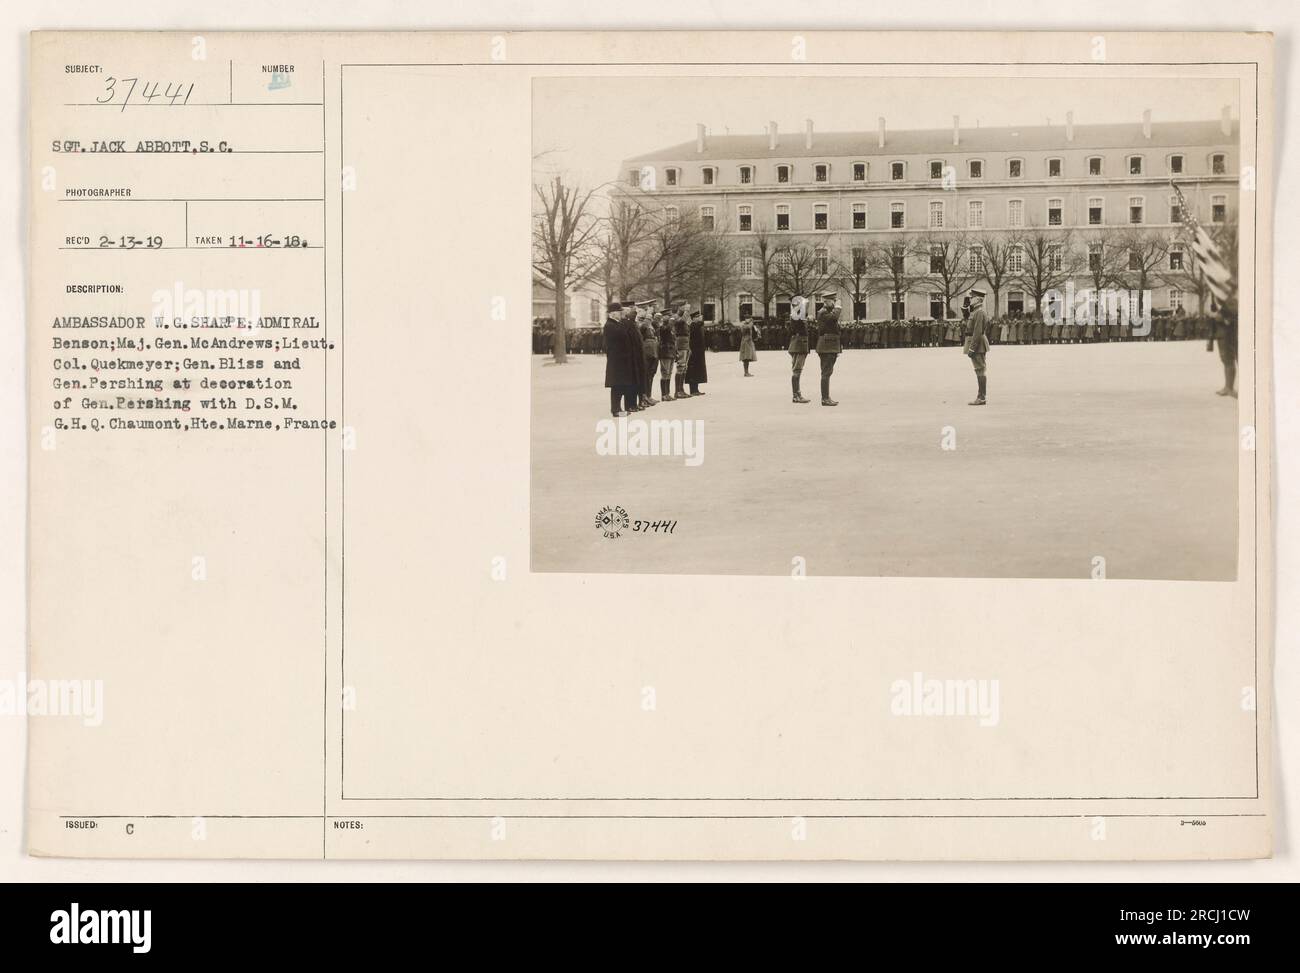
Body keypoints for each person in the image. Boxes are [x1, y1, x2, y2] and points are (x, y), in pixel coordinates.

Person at [603, 301, 637, 416]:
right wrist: (625, 322)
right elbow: (621, 335)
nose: (621, 314)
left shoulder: (616, 324)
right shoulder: (610, 325)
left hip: (621, 361)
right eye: (619, 312)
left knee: (620, 386)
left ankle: (618, 409)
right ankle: (616, 410)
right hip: (617, 361)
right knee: (617, 386)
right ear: (612, 313)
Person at [815, 294, 842, 407]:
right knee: (826, 372)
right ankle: (825, 398)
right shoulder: (823, 312)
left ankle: (826, 397)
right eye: (833, 301)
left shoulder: (827, 312)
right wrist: (838, 308)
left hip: (830, 344)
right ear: (827, 301)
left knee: (828, 372)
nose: (835, 303)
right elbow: (833, 318)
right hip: (827, 345)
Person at [964, 289, 990, 406]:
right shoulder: (975, 312)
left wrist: (972, 348)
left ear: (979, 299)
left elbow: (977, 331)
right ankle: (981, 396)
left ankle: (981, 397)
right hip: (977, 343)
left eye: (972, 297)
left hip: (978, 344)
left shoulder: (979, 312)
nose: (970, 299)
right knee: (979, 370)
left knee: (980, 370)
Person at [1210, 295, 1238, 397]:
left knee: (1230, 359)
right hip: (1221, 332)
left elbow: (1233, 312)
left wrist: (1223, 317)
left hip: (1229, 332)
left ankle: (1230, 388)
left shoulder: (1228, 294)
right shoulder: (1218, 294)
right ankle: (1228, 387)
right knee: (1225, 359)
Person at [787, 298, 811, 404]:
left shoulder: (795, 315)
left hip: (797, 344)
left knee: (796, 370)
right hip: (799, 345)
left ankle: (797, 394)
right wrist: (803, 303)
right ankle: (796, 395)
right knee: (797, 371)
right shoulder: (797, 316)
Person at [685, 309, 708, 395]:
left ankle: (696, 389)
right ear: (693, 318)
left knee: (698, 370)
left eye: (699, 316)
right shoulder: (693, 325)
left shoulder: (697, 325)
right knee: (693, 370)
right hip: (694, 351)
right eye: (697, 317)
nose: (699, 318)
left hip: (699, 351)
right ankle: (693, 390)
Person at [656, 312, 677, 401]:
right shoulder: (662, 327)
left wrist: (675, 352)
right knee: (665, 373)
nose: (669, 317)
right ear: (663, 317)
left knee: (669, 373)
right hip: (665, 352)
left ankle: (667, 394)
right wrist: (671, 322)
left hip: (671, 352)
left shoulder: (670, 327)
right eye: (667, 316)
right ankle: (664, 395)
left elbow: (673, 340)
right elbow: (665, 330)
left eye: (669, 316)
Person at [672, 304, 692, 400]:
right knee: (680, 366)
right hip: (680, 342)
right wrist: (687, 312)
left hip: (685, 342)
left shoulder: (682, 317)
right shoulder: (676, 317)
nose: (685, 309)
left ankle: (681, 389)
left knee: (684, 367)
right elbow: (681, 321)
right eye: (683, 307)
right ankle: (677, 391)